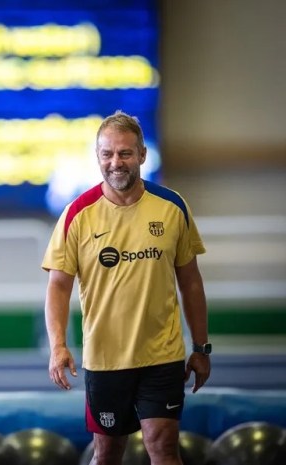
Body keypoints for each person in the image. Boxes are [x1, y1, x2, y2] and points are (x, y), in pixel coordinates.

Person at [41, 110, 211, 465]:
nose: (116, 163)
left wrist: (201, 347)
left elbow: (191, 282)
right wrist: (58, 346)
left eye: (125, 153)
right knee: (107, 453)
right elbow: (58, 286)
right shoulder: (78, 214)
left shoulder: (172, 207)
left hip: (162, 356)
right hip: (105, 359)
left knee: (163, 447)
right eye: (107, 154)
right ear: (98, 157)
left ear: (142, 155)